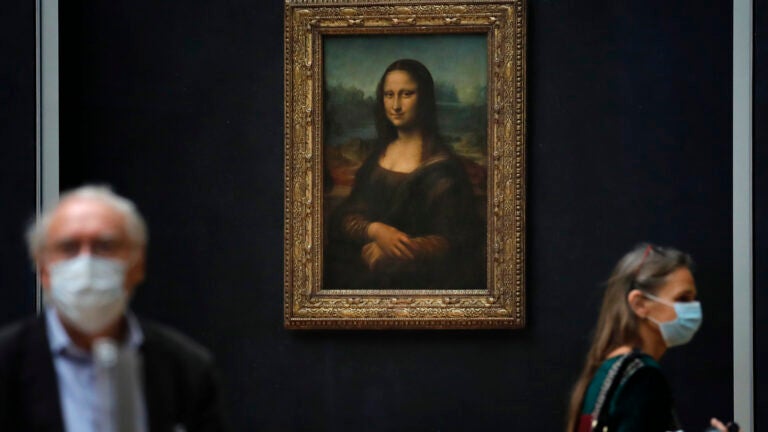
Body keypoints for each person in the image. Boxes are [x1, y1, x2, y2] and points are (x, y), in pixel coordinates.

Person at [0, 185, 228, 431]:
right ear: (43, 269)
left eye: (105, 246)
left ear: (137, 265)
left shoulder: (187, 369)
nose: (86, 262)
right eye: (69, 248)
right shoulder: (6, 362)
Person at [325, 58, 484, 290]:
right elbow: (345, 216)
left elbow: (456, 240)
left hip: (420, 282)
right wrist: (376, 231)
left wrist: (397, 248)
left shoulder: (444, 169)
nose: (396, 105)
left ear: (425, 99)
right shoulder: (376, 158)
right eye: (389, 95)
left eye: (406, 94)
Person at [566, 243, 739, 432]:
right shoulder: (642, 378)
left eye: (693, 299)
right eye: (682, 299)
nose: (693, 308)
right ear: (640, 304)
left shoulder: (608, 369)